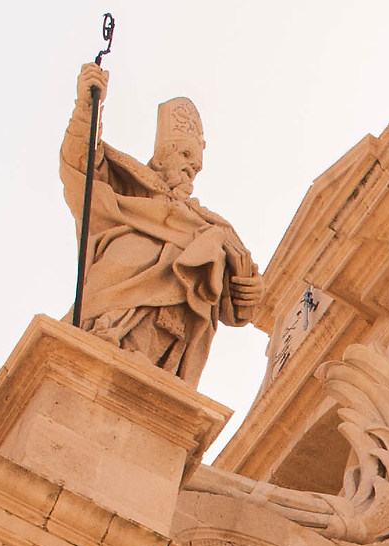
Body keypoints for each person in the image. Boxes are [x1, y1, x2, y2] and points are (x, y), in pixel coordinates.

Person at [62, 62, 262, 386]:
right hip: (114, 304)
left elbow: (237, 306)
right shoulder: (128, 185)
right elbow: (81, 166)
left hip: (173, 336)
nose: (190, 170)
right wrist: (87, 107)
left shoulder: (211, 225)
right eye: (184, 156)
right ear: (161, 154)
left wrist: (251, 290)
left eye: (195, 166)